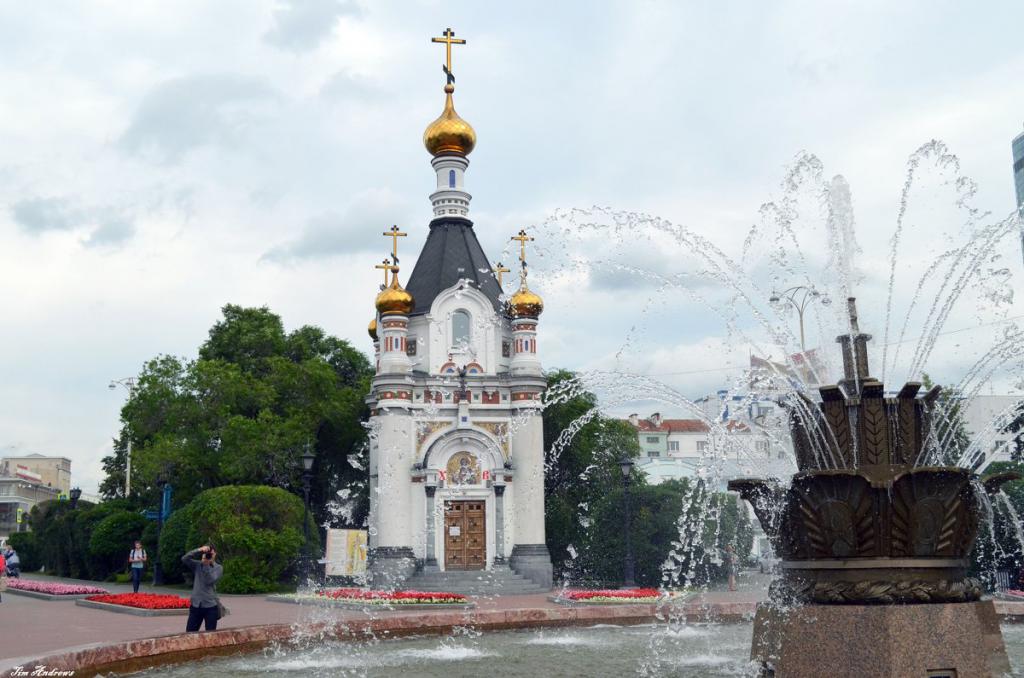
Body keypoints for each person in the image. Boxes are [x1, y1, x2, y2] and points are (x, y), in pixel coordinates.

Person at [182, 545, 222, 632]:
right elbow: (184, 559)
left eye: (210, 553)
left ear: (215, 554)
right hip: (196, 605)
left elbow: (209, 580)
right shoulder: (198, 565)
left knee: (210, 635)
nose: (208, 555)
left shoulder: (218, 568)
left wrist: (206, 565)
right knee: (190, 633)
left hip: (210, 606)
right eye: (206, 553)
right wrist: (199, 550)